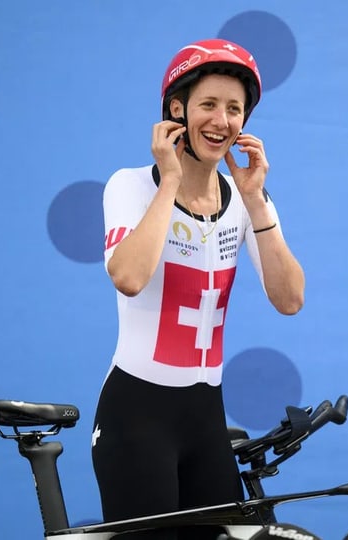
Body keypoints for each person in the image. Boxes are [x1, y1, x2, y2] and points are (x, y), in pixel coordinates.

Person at [93, 38, 305, 540]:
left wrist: (255, 203)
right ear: (176, 109)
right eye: (208, 104)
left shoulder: (246, 196)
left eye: (235, 109)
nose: (222, 121)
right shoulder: (129, 185)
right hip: (136, 417)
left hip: (205, 418)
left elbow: (290, 299)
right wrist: (169, 182)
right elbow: (128, 277)